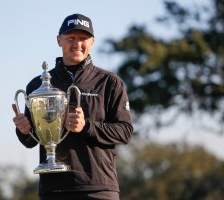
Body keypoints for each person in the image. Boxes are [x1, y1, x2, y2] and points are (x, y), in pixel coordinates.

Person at [12, 13, 133, 200]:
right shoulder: (38, 85)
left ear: (92, 42)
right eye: (71, 38)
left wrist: (86, 126)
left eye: (83, 38)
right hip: (54, 189)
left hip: (99, 189)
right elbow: (31, 141)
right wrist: (24, 130)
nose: (77, 43)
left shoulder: (110, 82)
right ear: (59, 40)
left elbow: (124, 132)